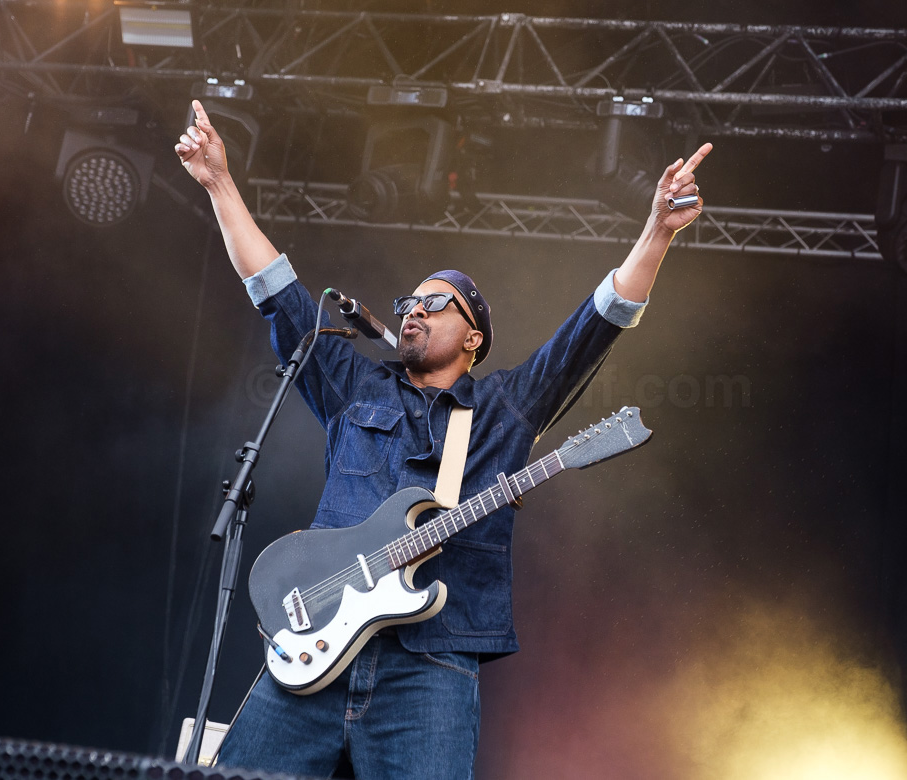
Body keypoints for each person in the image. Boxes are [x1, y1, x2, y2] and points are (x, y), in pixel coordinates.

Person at [175, 99, 711, 779]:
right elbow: (275, 289)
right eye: (408, 304)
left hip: (430, 664)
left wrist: (656, 232)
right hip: (314, 644)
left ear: (474, 336)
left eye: (434, 304)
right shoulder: (356, 387)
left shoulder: (504, 407)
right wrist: (220, 183)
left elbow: (595, 326)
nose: (413, 312)